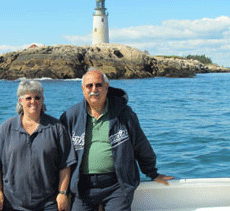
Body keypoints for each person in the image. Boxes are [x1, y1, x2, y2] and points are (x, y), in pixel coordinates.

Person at [60, 68, 174, 211]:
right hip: (83, 187)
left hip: (117, 185)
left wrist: (152, 173)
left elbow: (140, 144)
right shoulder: (71, 116)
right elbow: (63, 155)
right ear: (83, 89)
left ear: (106, 87)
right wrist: (62, 191)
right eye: (89, 85)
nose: (94, 89)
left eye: (99, 85)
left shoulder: (124, 113)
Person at [0, 80, 77, 211]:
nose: (33, 101)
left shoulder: (56, 128)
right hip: (12, 204)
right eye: (28, 98)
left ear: (42, 99)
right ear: (20, 101)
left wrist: (62, 193)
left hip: (48, 204)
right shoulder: (6, 128)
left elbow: (66, 165)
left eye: (37, 97)